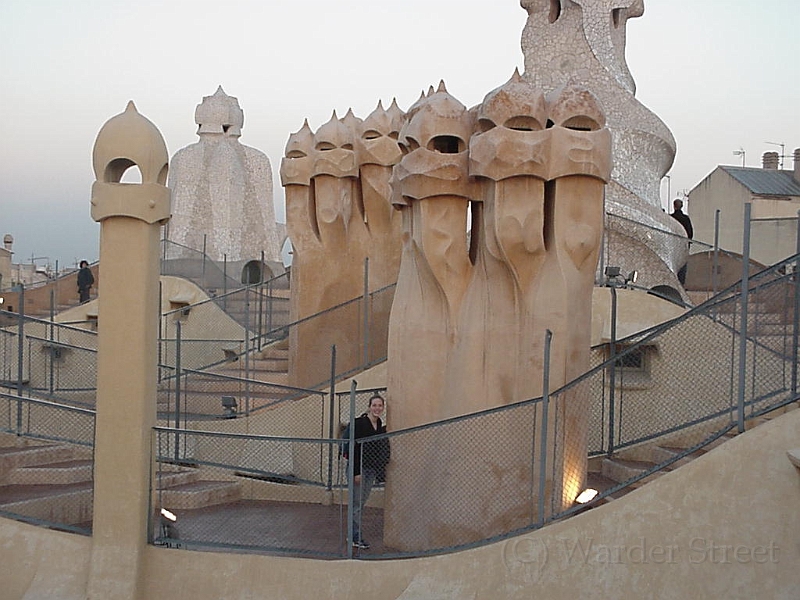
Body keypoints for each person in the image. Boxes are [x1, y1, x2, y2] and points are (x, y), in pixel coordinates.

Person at [342, 394, 390, 550]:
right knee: (356, 503)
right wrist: (356, 471)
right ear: (369, 407)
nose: (377, 408)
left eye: (380, 406)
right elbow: (353, 448)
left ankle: (354, 534)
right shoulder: (360, 423)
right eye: (374, 405)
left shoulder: (379, 424)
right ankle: (354, 536)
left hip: (370, 470)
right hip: (359, 469)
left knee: (361, 503)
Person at [670, 199, 693, 284]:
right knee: (682, 269)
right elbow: (690, 233)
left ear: (674, 206)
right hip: (683, 248)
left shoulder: (671, 218)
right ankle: (680, 286)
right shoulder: (686, 219)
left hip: (672, 247)